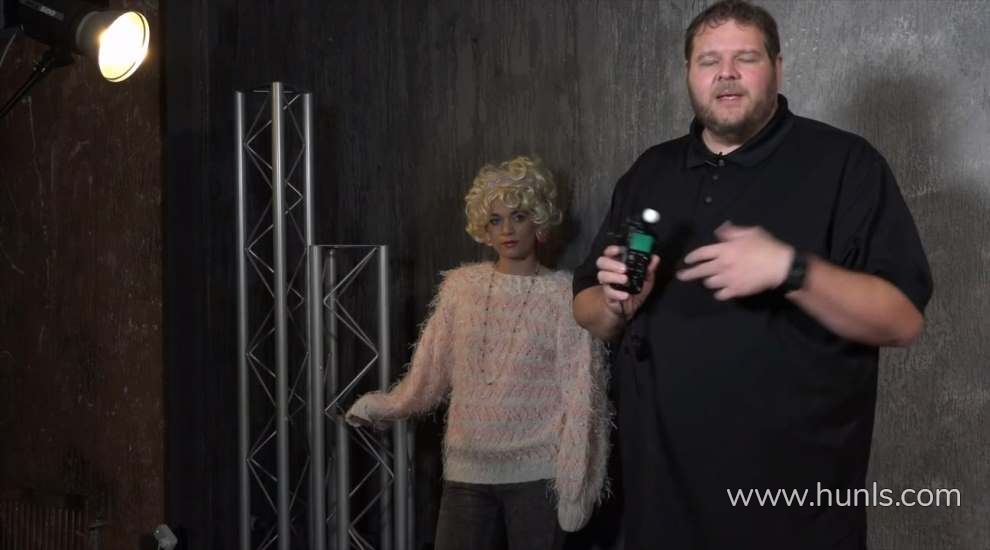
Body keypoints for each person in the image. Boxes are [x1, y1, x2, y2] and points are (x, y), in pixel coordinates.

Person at [572, 1, 932, 548]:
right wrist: (616, 303)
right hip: (658, 502)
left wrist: (792, 269)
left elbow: (902, 321)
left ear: (777, 68)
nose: (726, 73)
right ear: (689, 73)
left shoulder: (846, 164)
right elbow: (588, 308)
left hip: (789, 507)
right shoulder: (651, 171)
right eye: (708, 60)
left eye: (746, 58)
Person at [346, 156, 610, 550]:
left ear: (538, 222)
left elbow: (583, 394)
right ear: (483, 229)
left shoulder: (563, 294)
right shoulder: (460, 288)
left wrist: (576, 486)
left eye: (518, 216)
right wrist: (385, 406)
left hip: (538, 476)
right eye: (495, 220)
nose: (507, 229)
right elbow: (428, 374)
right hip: (466, 472)